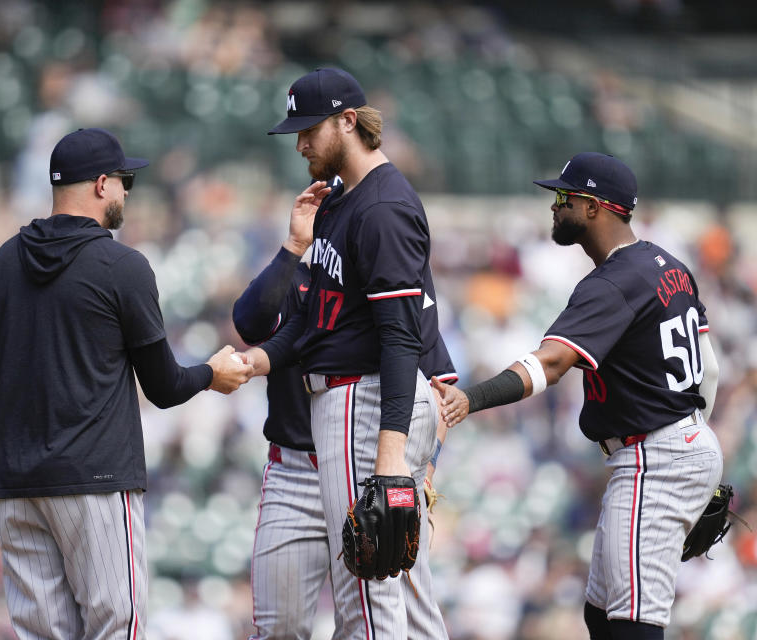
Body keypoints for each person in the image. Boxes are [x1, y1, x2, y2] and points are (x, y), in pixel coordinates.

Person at [0, 127, 253, 640]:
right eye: (123, 182)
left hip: (17, 484)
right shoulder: (122, 265)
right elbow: (163, 387)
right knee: (116, 627)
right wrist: (212, 374)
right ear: (101, 184)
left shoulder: (0, 264)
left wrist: (25, 443)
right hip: (94, 481)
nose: (125, 193)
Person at [434, 152, 723, 640]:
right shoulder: (668, 265)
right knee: (600, 611)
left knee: (633, 623)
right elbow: (709, 370)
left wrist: (471, 398)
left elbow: (550, 363)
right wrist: (697, 444)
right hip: (681, 441)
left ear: (594, 207)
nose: (555, 206)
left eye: (564, 197)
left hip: (656, 454)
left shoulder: (612, 282)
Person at [240, 68, 450, 639]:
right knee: (398, 600)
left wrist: (391, 454)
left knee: (369, 601)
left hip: (364, 403)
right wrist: (258, 361)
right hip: (342, 402)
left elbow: (403, 337)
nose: (301, 143)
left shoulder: (383, 207)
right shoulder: (338, 203)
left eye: (310, 129)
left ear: (349, 121)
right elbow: (311, 322)